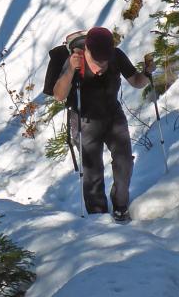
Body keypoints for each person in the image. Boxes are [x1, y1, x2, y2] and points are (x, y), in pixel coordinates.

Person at [50, 26, 153, 221]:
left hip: (113, 115)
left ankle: (120, 205)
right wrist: (71, 69)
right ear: (87, 50)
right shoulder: (75, 61)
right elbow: (59, 95)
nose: (102, 67)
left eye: (105, 62)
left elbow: (136, 81)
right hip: (84, 120)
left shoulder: (116, 55)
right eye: (98, 62)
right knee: (93, 171)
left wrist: (147, 73)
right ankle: (98, 217)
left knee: (124, 162)